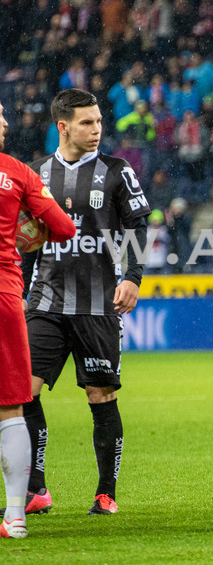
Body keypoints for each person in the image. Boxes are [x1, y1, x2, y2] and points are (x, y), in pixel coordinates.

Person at [20, 89, 152, 517]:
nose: (96, 130)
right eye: (86, 123)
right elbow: (22, 240)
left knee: (100, 395)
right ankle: (36, 486)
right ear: (63, 126)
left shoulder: (117, 171)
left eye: (98, 122)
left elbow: (138, 226)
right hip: (45, 301)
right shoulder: (35, 174)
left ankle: (105, 492)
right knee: (24, 392)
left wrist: (132, 277)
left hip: (99, 305)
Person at [0, 100, 76, 538]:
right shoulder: (18, 172)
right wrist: (30, 228)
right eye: (0, 116)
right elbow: (64, 228)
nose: (7, 122)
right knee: (10, 409)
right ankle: (15, 516)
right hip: (5, 295)